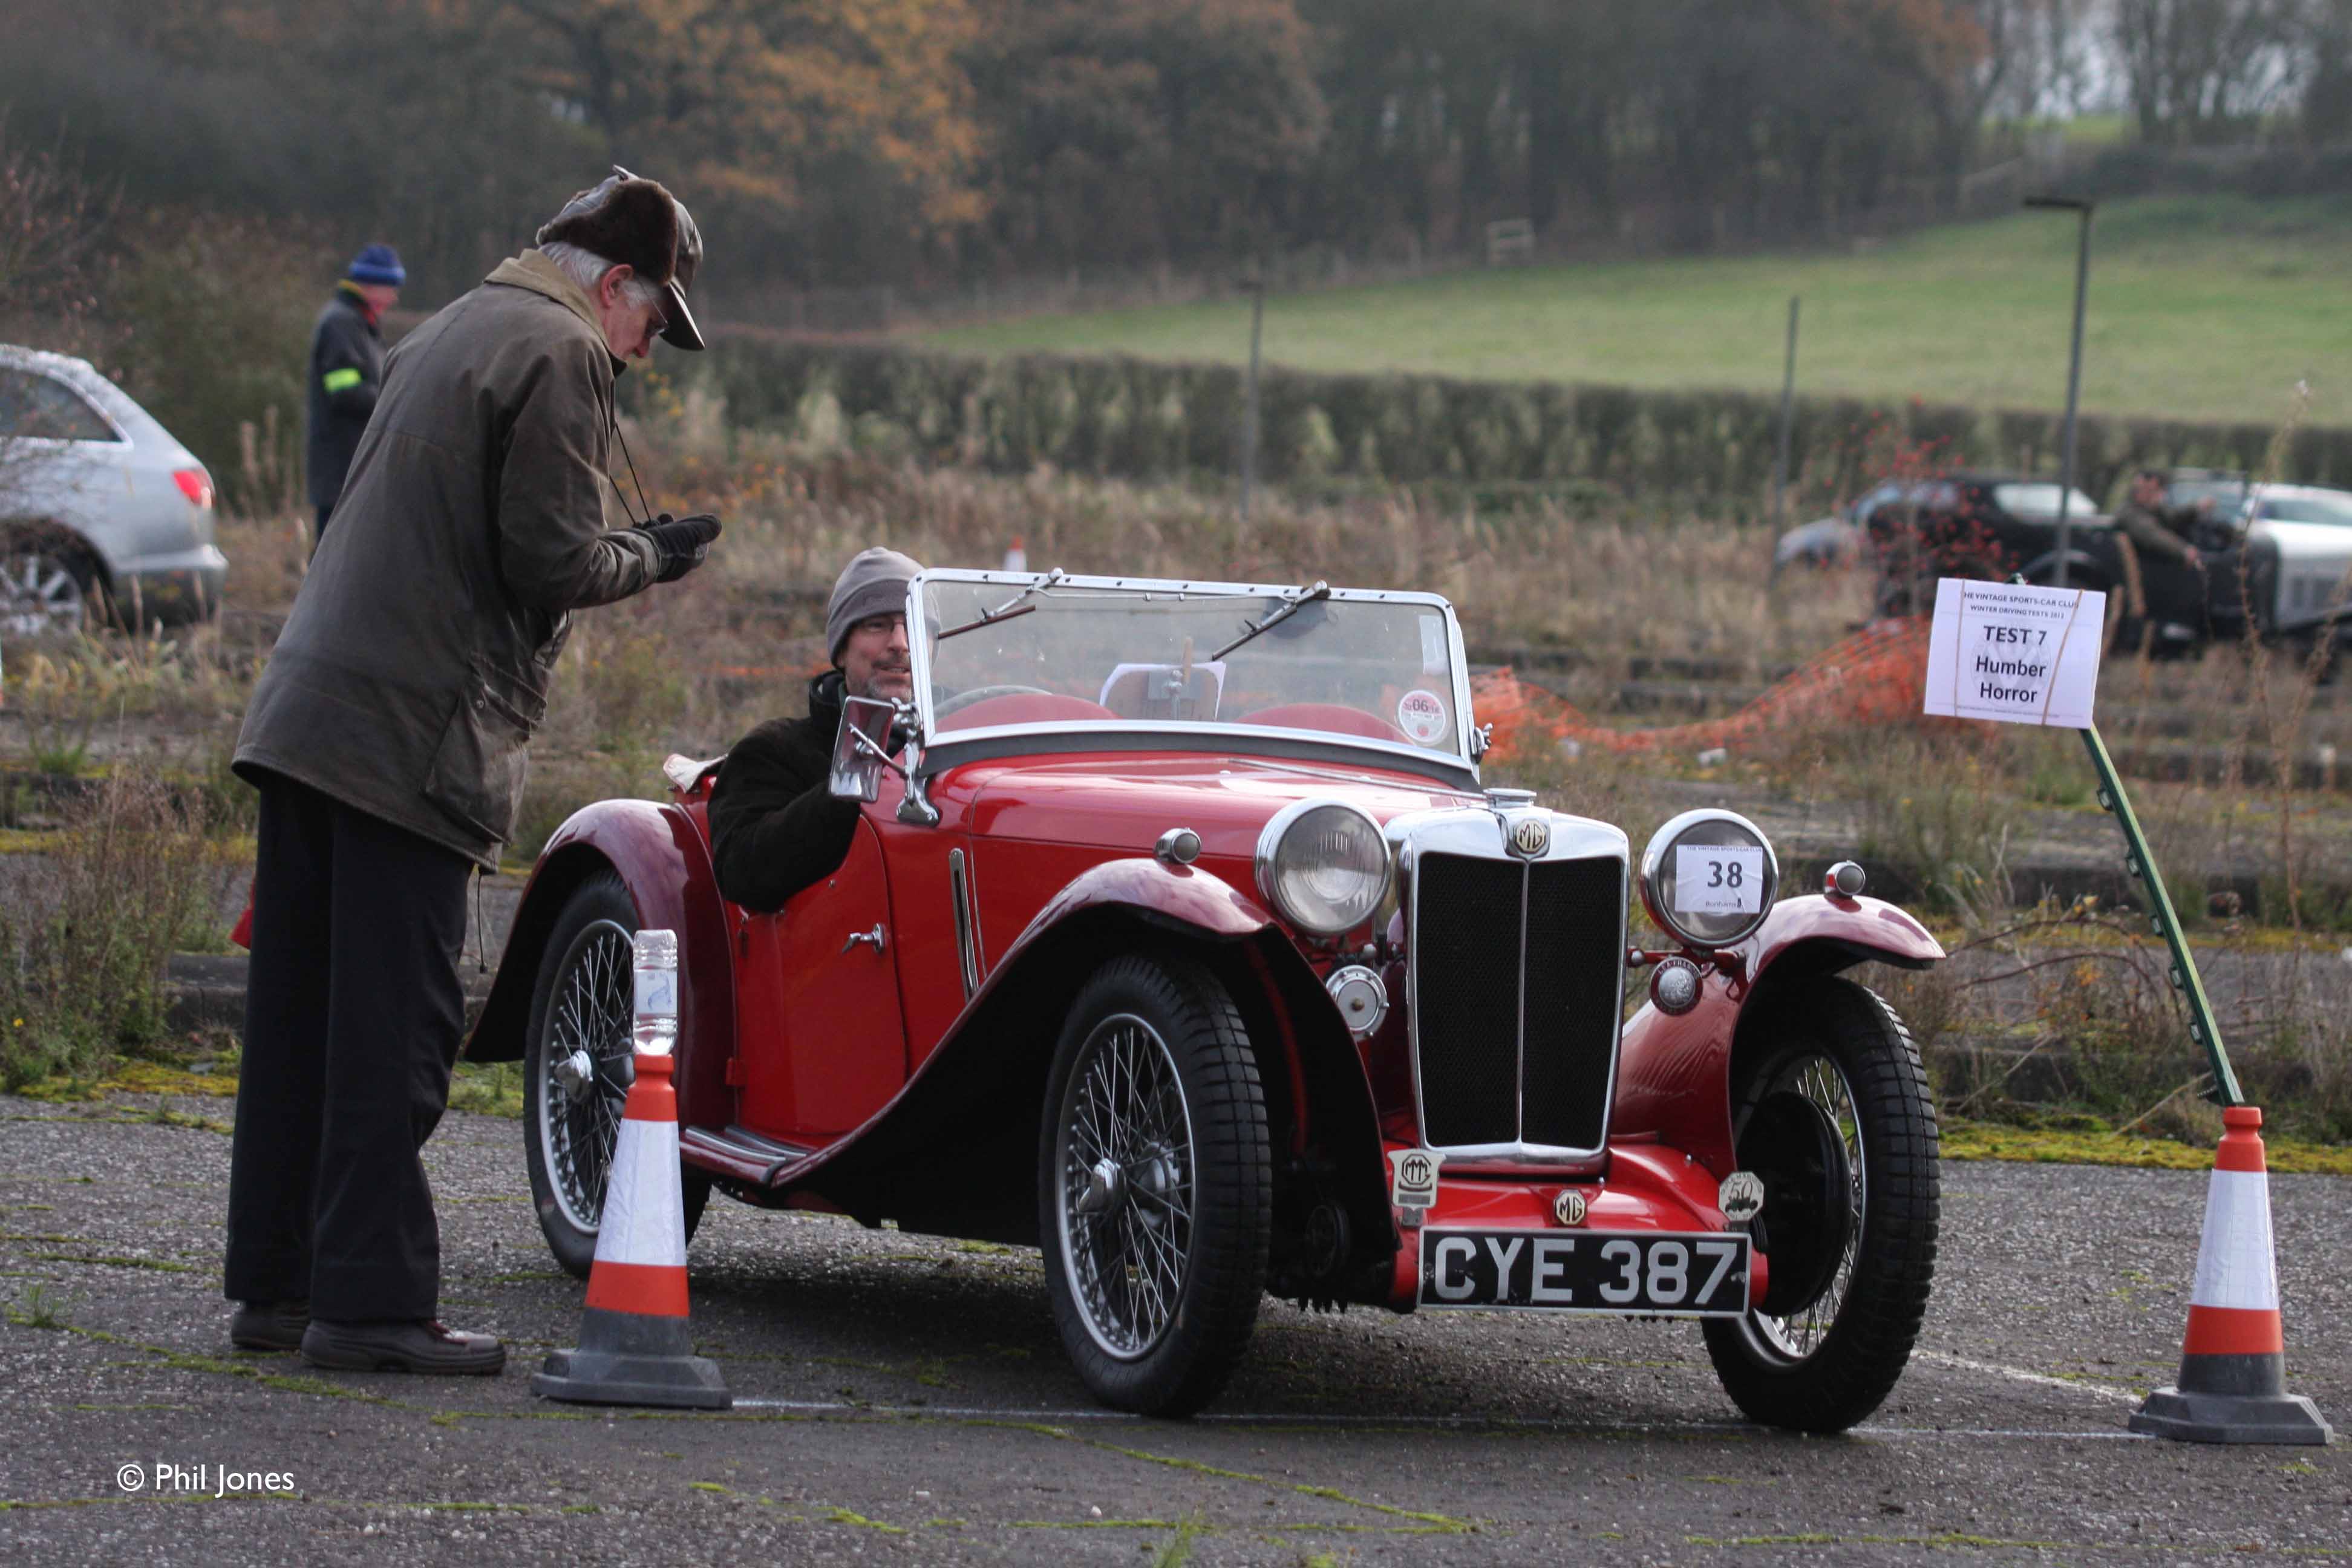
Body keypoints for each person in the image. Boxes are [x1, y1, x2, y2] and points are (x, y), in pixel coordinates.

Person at [224, 169, 724, 1374]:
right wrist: (645, 559)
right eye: (654, 323)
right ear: (616, 285)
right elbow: (545, 559)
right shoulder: (559, 353)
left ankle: (279, 1291)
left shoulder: (447, 324)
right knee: (395, 1030)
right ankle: (375, 1310)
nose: (645, 354)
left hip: (306, 716)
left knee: (302, 1018)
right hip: (411, 734)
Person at [710, 547, 923, 913]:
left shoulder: (964, 740)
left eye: (913, 625)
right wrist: (850, 785)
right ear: (841, 650)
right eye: (878, 625)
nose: (900, 643)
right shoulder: (773, 751)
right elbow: (740, 871)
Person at [306, 244, 403, 544]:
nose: (394, 298)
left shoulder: (361, 323)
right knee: (332, 558)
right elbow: (344, 391)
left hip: (354, 468)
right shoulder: (342, 323)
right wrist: (395, 400)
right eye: (391, 288)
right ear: (372, 285)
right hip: (340, 469)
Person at [2113, 468, 2215, 572]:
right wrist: (2184, 551)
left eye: (2155, 491)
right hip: (2141, 570)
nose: (2151, 495)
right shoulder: (2129, 512)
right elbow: (2152, 534)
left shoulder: (2156, 510)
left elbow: (2175, 517)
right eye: (2146, 490)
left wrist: (2196, 508)